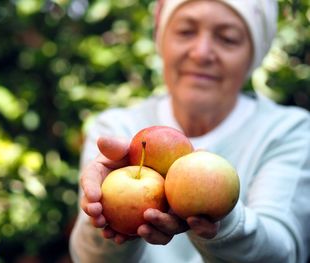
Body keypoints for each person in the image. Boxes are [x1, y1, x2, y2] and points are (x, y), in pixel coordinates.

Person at [69, 0, 310, 262]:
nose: (201, 52)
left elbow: (284, 253)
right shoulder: (117, 130)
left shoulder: (289, 131)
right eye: (185, 31)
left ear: (254, 53)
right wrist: (108, 220)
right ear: (162, 37)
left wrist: (220, 219)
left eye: (228, 38)